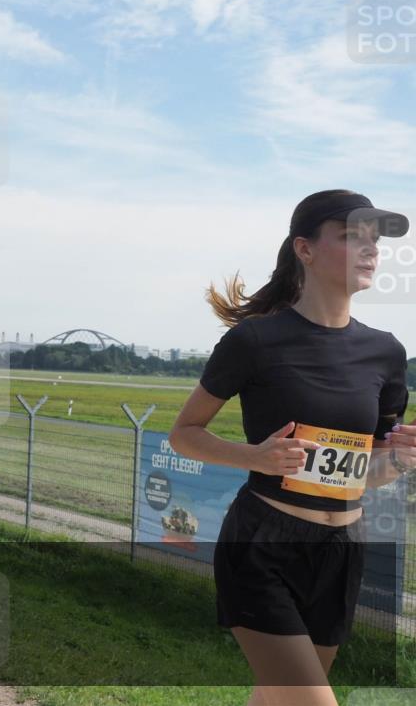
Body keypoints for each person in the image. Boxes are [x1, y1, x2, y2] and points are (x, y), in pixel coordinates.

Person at [168, 190, 415, 706]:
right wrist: (252, 456)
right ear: (304, 249)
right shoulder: (255, 342)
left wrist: (399, 459)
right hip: (262, 545)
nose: (371, 250)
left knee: (278, 698)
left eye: (375, 241)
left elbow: (366, 471)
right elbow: (184, 432)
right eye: (352, 237)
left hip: (342, 551)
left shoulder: (387, 353)